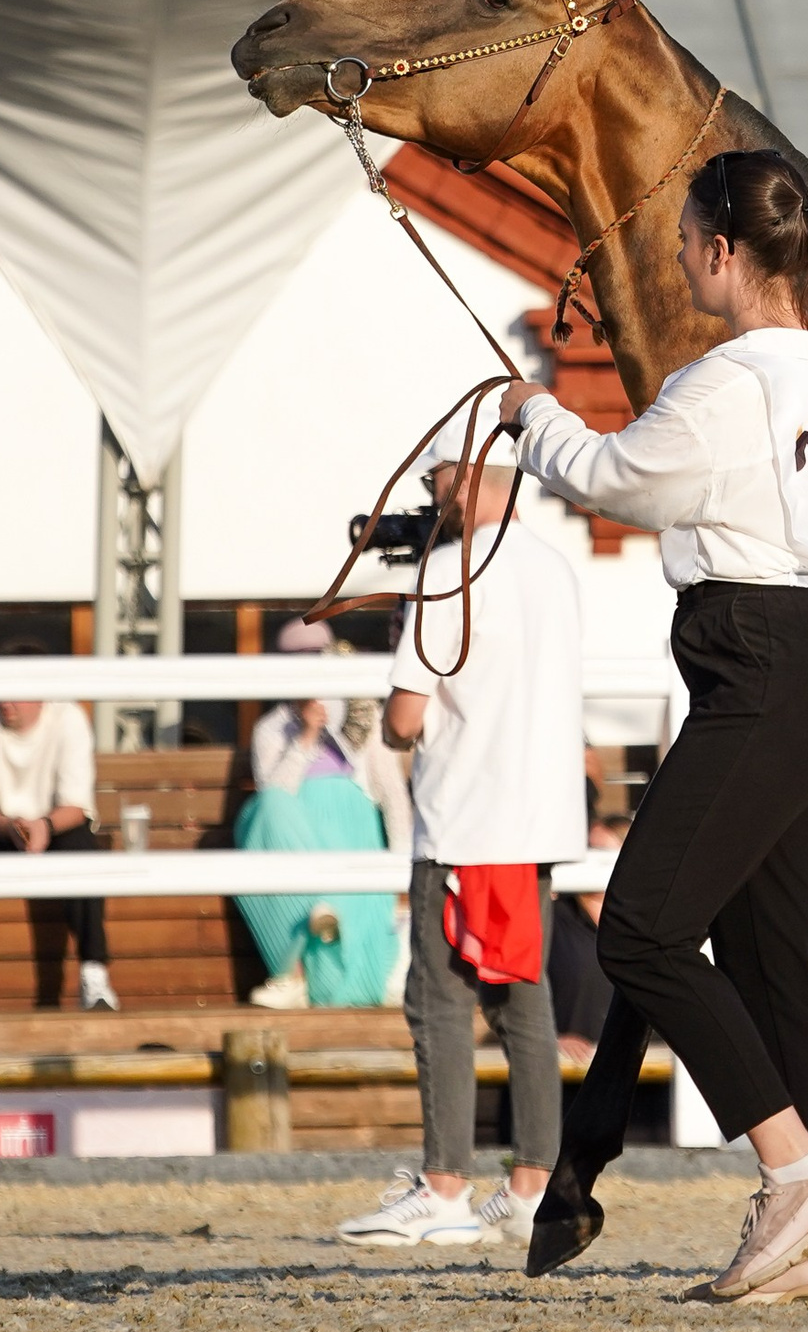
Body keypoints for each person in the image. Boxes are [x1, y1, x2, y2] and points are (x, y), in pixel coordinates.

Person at [498, 147, 808, 1307]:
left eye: (684, 244)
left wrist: (535, 419)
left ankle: (792, 1174)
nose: (674, 260)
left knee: (639, 932)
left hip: (759, 662)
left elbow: (622, 480)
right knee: (771, 957)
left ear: (724, 251)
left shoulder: (728, 380)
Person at [333, 418, 587, 1252]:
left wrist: (400, 735)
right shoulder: (555, 569)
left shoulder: (449, 570)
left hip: (463, 821)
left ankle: (443, 1184)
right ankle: (532, 1184)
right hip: (537, 818)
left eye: (442, 479)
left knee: (437, 999)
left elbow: (404, 715)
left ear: (472, 479)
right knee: (525, 1001)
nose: (433, 497)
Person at [238, 620, 407, 1010]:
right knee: (262, 813)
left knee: (352, 968)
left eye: (317, 660)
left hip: (354, 831)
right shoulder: (271, 729)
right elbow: (273, 800)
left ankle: (317, 951)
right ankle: (293, 972)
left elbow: (393, 797)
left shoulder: (365, 716)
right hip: (298, 835)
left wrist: (401, 873)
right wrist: (306, 739)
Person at [0, 640, 116, 1011]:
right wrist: (8, 826)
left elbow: (76, 807)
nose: (5, 700)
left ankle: (94, 974)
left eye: (16, 690)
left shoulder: (69, 717)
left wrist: (44, 827)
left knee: (83, 851)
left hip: (54, 826)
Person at [549, 802, 629, 1064]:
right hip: (570, 1069)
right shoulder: (553, 918)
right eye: (589, 851)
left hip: (647, 1070)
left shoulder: (646, 925)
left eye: (603, 853)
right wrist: (551, 1038)